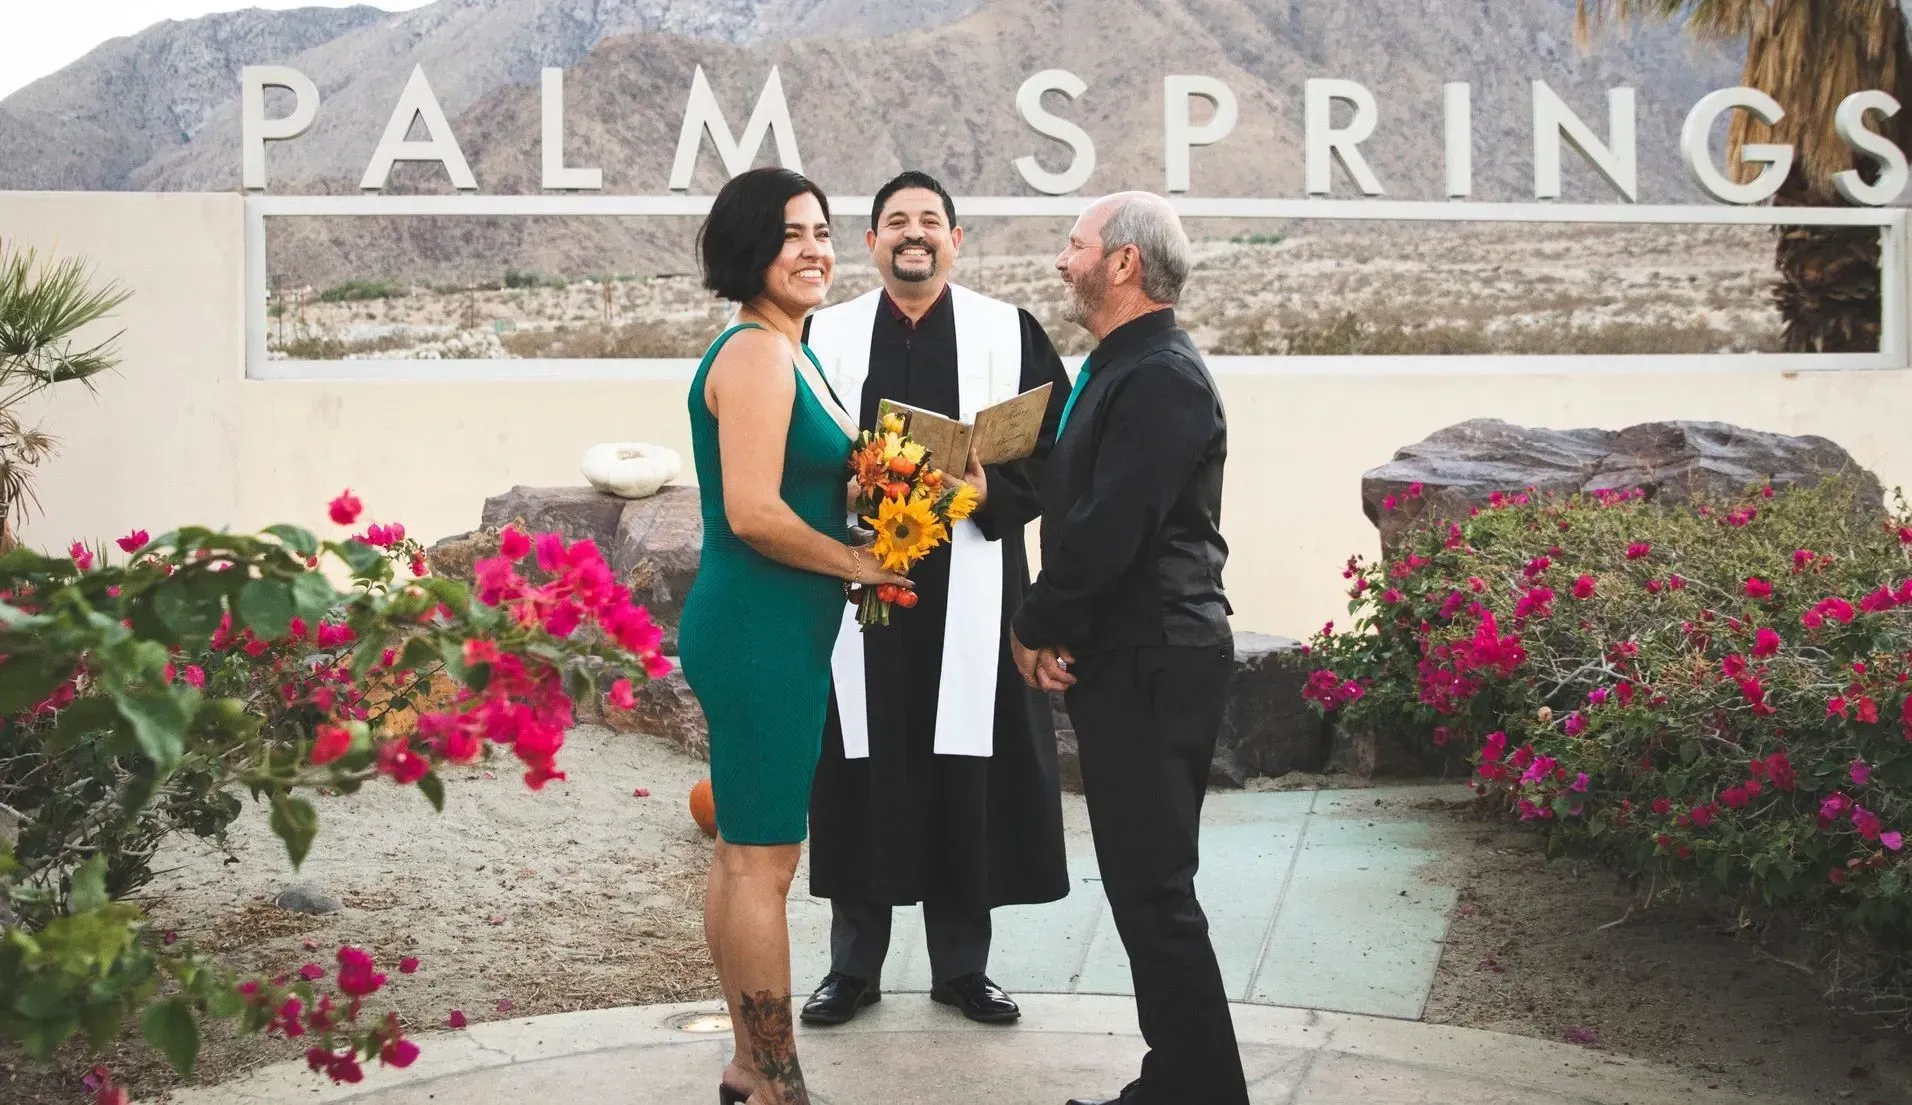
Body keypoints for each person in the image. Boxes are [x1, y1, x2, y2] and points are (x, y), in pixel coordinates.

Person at [798, 170, 1073, 1026]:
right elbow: (792, 452)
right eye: (895, 221)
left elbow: (1059, 452)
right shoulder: (822, 334)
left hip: (975, 585)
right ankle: (853, 966)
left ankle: (962, 967)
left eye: (929, 220)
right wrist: (845, 491)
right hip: (862, 587)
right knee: (860, 762)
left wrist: (992, 491)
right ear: (872, 243)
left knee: (966, 765)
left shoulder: (1008, 331)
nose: (912, 233)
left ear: (955, 239)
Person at [679, 166, 911, 1105]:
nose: (815, 250)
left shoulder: (791, 348)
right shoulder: (756, 354)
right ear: (750, 251)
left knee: (745, 849)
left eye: (821, 231)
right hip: (757, 631)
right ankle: (773, 1078)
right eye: (791, 236)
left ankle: (751, 1063)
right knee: (763, 859)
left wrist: (885, 494)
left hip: (775, 628)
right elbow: (752, 512)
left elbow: (801, 487)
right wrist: (858, 562)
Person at [1010, 191, 1246, 1105]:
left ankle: (1200, 1092)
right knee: (1144, 886)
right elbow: (1083, 503)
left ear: (1122, 264)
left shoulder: (1161, 377)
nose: (1061, 261)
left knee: (1154, 889)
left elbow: (1114, 527)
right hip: (1132, 652)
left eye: (1075, 245)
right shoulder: (1122, 367)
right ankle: (1179, 1080)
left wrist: (1036, 621)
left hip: (1159, 656)